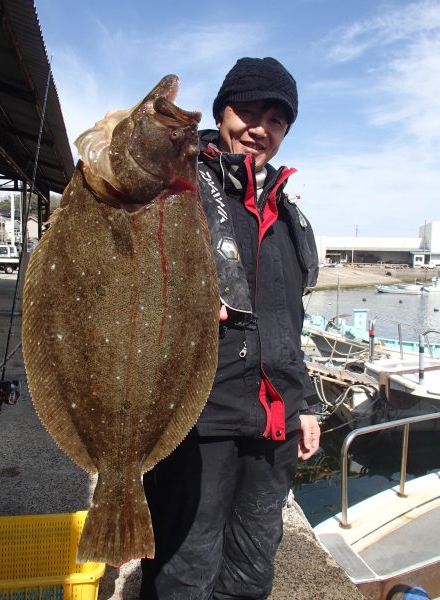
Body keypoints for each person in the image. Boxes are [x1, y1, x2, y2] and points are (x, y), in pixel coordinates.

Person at [139, 56, 321, 600]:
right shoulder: (173, 189)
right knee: (183, 573)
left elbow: (290, 320)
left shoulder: (288, 214)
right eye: (247, 111)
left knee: (251, 572)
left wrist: (305, 404)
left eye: (276, 119)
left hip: (275, 427)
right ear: (222, 114)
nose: (259, 128)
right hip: (198, 421)